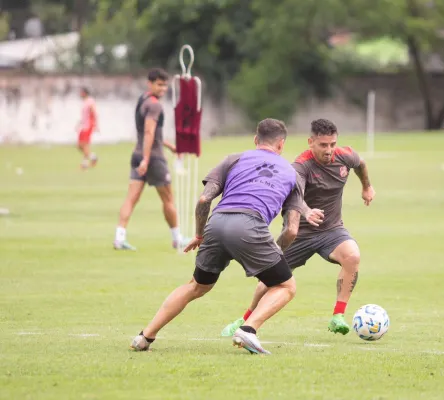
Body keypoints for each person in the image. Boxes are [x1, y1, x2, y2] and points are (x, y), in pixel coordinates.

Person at [130, 118, 323, 355]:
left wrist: (200, 235)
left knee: (196, 286)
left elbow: (204, 200)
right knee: (286, 286)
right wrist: (272, 251)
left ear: (255, 140)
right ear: (281, 144)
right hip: (250, 226)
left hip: (216, 222)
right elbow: (292, 229)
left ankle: (145, 336)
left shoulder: (233, 159)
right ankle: (249, 329)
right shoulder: (292, 174)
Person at [221, 118, 375, 336]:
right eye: (323, 145)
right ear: (310, 142)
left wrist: (367, 187)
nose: (329, 150)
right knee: (269, 282)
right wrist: (307, 212)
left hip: (331, 230)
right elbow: (297, 195)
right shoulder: (301, 166)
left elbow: (360, 164)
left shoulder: (345, 156)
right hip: (298, 234)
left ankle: (338, 315)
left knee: (352, 256)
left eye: (332, 144)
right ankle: (245, 319)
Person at [113, 68, 186, 251]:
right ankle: (177, 238)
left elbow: (152, 133)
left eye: (165, 85)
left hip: (137, 155)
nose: (162, 89)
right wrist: (146, 159)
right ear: (150, 83)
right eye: (159, 85)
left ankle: (119, 238)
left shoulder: (142, 100)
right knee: (168, 199)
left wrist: (170, 146)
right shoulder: (155, 105)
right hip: (153, 159)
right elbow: (149, 132)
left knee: (131, 198)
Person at [76, 87, 98, 170]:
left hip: (88, 126)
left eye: (81, 92)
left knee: (85, 145)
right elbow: (84, 116)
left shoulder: (90, 101)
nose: (80, 94)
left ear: (85, 93)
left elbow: (94, 113)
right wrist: (79, 123)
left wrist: (96, 125)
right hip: (83, 126)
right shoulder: (84, 102)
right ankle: (93, 157)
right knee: (79, 145)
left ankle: (84, 164)